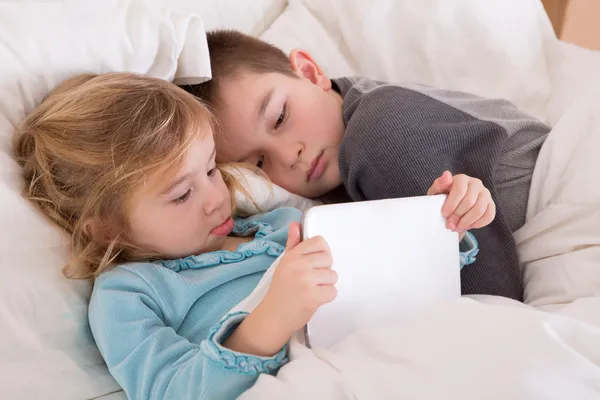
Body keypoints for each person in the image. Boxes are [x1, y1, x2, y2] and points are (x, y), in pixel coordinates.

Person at [14, 72, 490, 399]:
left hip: (393, 357)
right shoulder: (129, 294)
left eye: (211, 170)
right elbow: (172, 391)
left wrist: (441, 222)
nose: (215, 199)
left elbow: (384, 278)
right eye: (181, 194)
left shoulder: (279, 225)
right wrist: (267, 324)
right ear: (109, 227)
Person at [181, 29, 552, 301]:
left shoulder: (379, 132)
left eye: (280, 117)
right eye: (259, 164)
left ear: (310, 73)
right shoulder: (348, 140)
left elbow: (492, 301)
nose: (288, 155)